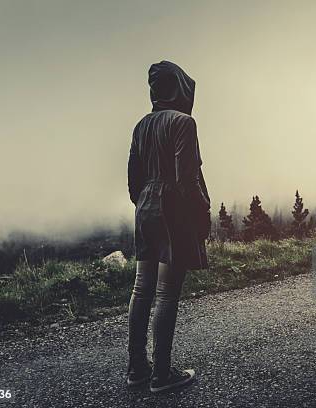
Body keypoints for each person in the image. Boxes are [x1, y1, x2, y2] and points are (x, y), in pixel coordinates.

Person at [126, 60, 210, 393]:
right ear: (179, 88)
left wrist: (144, 202)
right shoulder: (183, 123)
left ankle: (137, 369)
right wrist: (201, 210)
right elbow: (186, 177)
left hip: (145, 206)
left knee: (141, 289)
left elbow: (133, 179)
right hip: (173, 207)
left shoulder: (141, 125)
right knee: (167, 294)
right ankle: (162, 374)